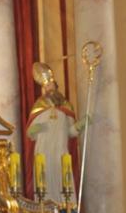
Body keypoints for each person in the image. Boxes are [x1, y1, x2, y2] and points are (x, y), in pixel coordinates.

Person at [26, 62, 85, 202]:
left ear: (56, 86)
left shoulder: (66, 106)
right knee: (45, 186)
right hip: (43, 153)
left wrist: (83, 123)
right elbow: (30, 134)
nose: (49, 88)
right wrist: (41, 127)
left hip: (60, 152)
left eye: (51, 85)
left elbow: (71, 132)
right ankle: (45, 211)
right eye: (46, 86)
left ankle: (66, 211)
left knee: (63, 187)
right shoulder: (38, 106)